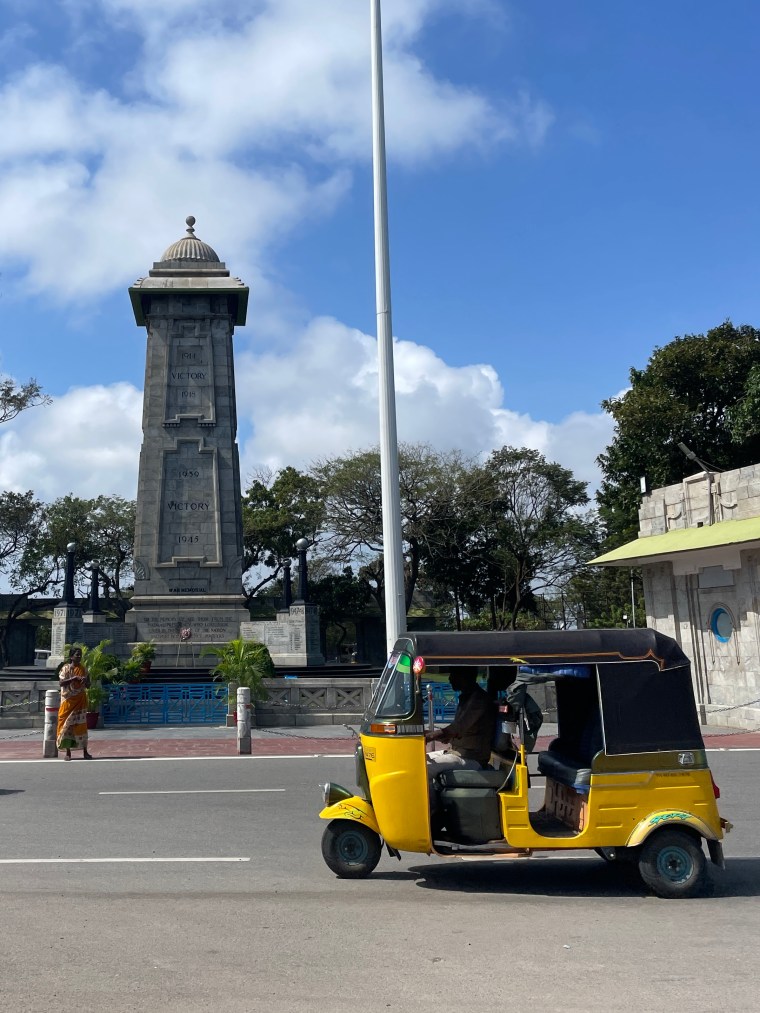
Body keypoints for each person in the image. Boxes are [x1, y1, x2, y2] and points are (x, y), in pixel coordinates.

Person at [425, 668, 496, 780]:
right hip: (457, 752)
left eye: (453, 675)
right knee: (418, 760)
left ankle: (429, 798)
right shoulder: (467, 698)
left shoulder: (479, 700)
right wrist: (422, 734)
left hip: (472, 758)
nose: (450, 679)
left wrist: (428, 737)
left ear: (466, 677)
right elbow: (451, 733)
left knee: (425, 768)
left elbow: (455, 729)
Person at [56, 647, 93, 760]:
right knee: (66, 727)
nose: (79, 656)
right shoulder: (65, 668)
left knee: (81, 726)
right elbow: (61, 683)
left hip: (80, 700)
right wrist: (73, 678)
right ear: (71, 656)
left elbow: (88, 685)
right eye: (77, 654)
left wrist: (85, 681)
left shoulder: (83, 669)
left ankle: (85, 751)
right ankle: (68, 753)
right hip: (68, 701)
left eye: (80, 654)